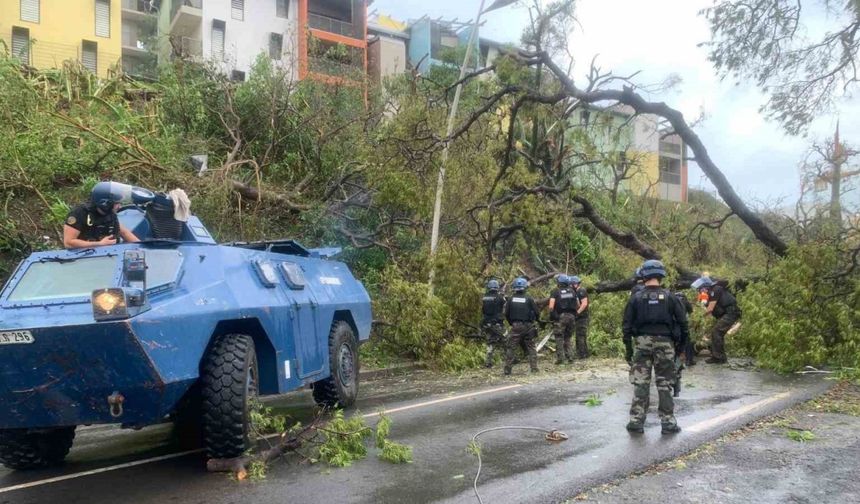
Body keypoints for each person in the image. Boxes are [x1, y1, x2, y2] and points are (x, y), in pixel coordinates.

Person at [622, 259, 688, 435]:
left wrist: (628, 349)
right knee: (665, 383)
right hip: (665, 344)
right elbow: (683, 324)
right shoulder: (670, 297)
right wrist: (680, 348)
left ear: (643, 275)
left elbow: (626, 325)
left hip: (642, 343)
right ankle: (668, 423)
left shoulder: (635, 298)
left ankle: (636, 421)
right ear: (661, 276)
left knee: (641, 383)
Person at [64, 183, 140, 248]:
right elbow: (68, 243)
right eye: (117, 203)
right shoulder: (79, 213)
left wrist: (140, 246)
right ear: (105, 203)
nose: (120, 206)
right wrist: (99, 244)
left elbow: (124, 232)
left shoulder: (109, 212)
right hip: (84, 257)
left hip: (109, 253)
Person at [692, 276, 741, 365]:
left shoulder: (715, 289)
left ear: (705, 287)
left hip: (730, 313)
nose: (700, 291)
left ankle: (718, 357)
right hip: (725, 314)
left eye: (700, 289)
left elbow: (710, 309)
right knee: (717, 333)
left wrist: (699, 318)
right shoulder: (711, 293)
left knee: (717, 332)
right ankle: (720, 356)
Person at [504, 277, 540, 375]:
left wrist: (512, 323)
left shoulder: (511, 299)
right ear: (525, 287)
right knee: (531, 347)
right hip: (528, 326)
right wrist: (535, 320)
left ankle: (507, 369)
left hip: (516, 326)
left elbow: (506, 314)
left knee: (511, 347)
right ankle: (534, 368)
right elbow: (537, 312)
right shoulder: (529, 298)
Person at [548, 275, 578, 364]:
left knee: (559, 338)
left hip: (561, 317)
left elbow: (550, 307)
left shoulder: (555, 292)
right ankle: (570, 357)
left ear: (559, 283)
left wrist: (554, 316)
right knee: (568, 337)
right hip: (572, 317)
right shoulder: (572, 291)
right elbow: (578, 304)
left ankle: (561, 359)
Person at [481, 279, 507, 368]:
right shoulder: (500, 297)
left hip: (487, 324)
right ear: (497, 287)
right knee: (507, 339)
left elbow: (483, 310)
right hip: (497, 324)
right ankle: (511, 359)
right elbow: (504, 308)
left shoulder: (484, 297)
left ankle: (488, 362)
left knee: (490, 342)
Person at [570, 275, 590, 359]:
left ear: (575, 284)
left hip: (582, 317)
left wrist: (577, 313)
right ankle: (583, 353)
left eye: (571, 284)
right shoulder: (576, 292)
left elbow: (584, 304)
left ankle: (582, 354)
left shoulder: (581, 291)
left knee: (580, 335)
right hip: (579, 317)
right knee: (579, 335)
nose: (570, 286)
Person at [673, 291, 696, 366]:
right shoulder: (685, 301)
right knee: (688, 341)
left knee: (673, 342)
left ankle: (674, 360)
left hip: (673, 325)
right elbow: (691, 311)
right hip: (683, 323)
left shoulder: (670, 301)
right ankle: (689, 360)